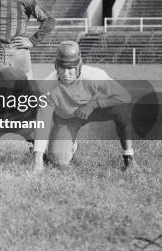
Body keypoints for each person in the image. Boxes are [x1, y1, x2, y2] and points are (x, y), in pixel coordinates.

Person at [31, 41, 136, 174]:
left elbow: (125, 96)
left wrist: (93, 104)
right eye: (62, 68)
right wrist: (38, 160)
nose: (65, 73)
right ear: (56, 66)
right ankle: (72, 146)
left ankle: (129, 157)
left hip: (96, 109)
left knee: (121, 110)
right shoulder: (47, 86)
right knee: (58, 161)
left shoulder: (95, 76)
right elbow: (43, 123)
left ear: (79, 66)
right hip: (68, 118)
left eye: (70, 68)